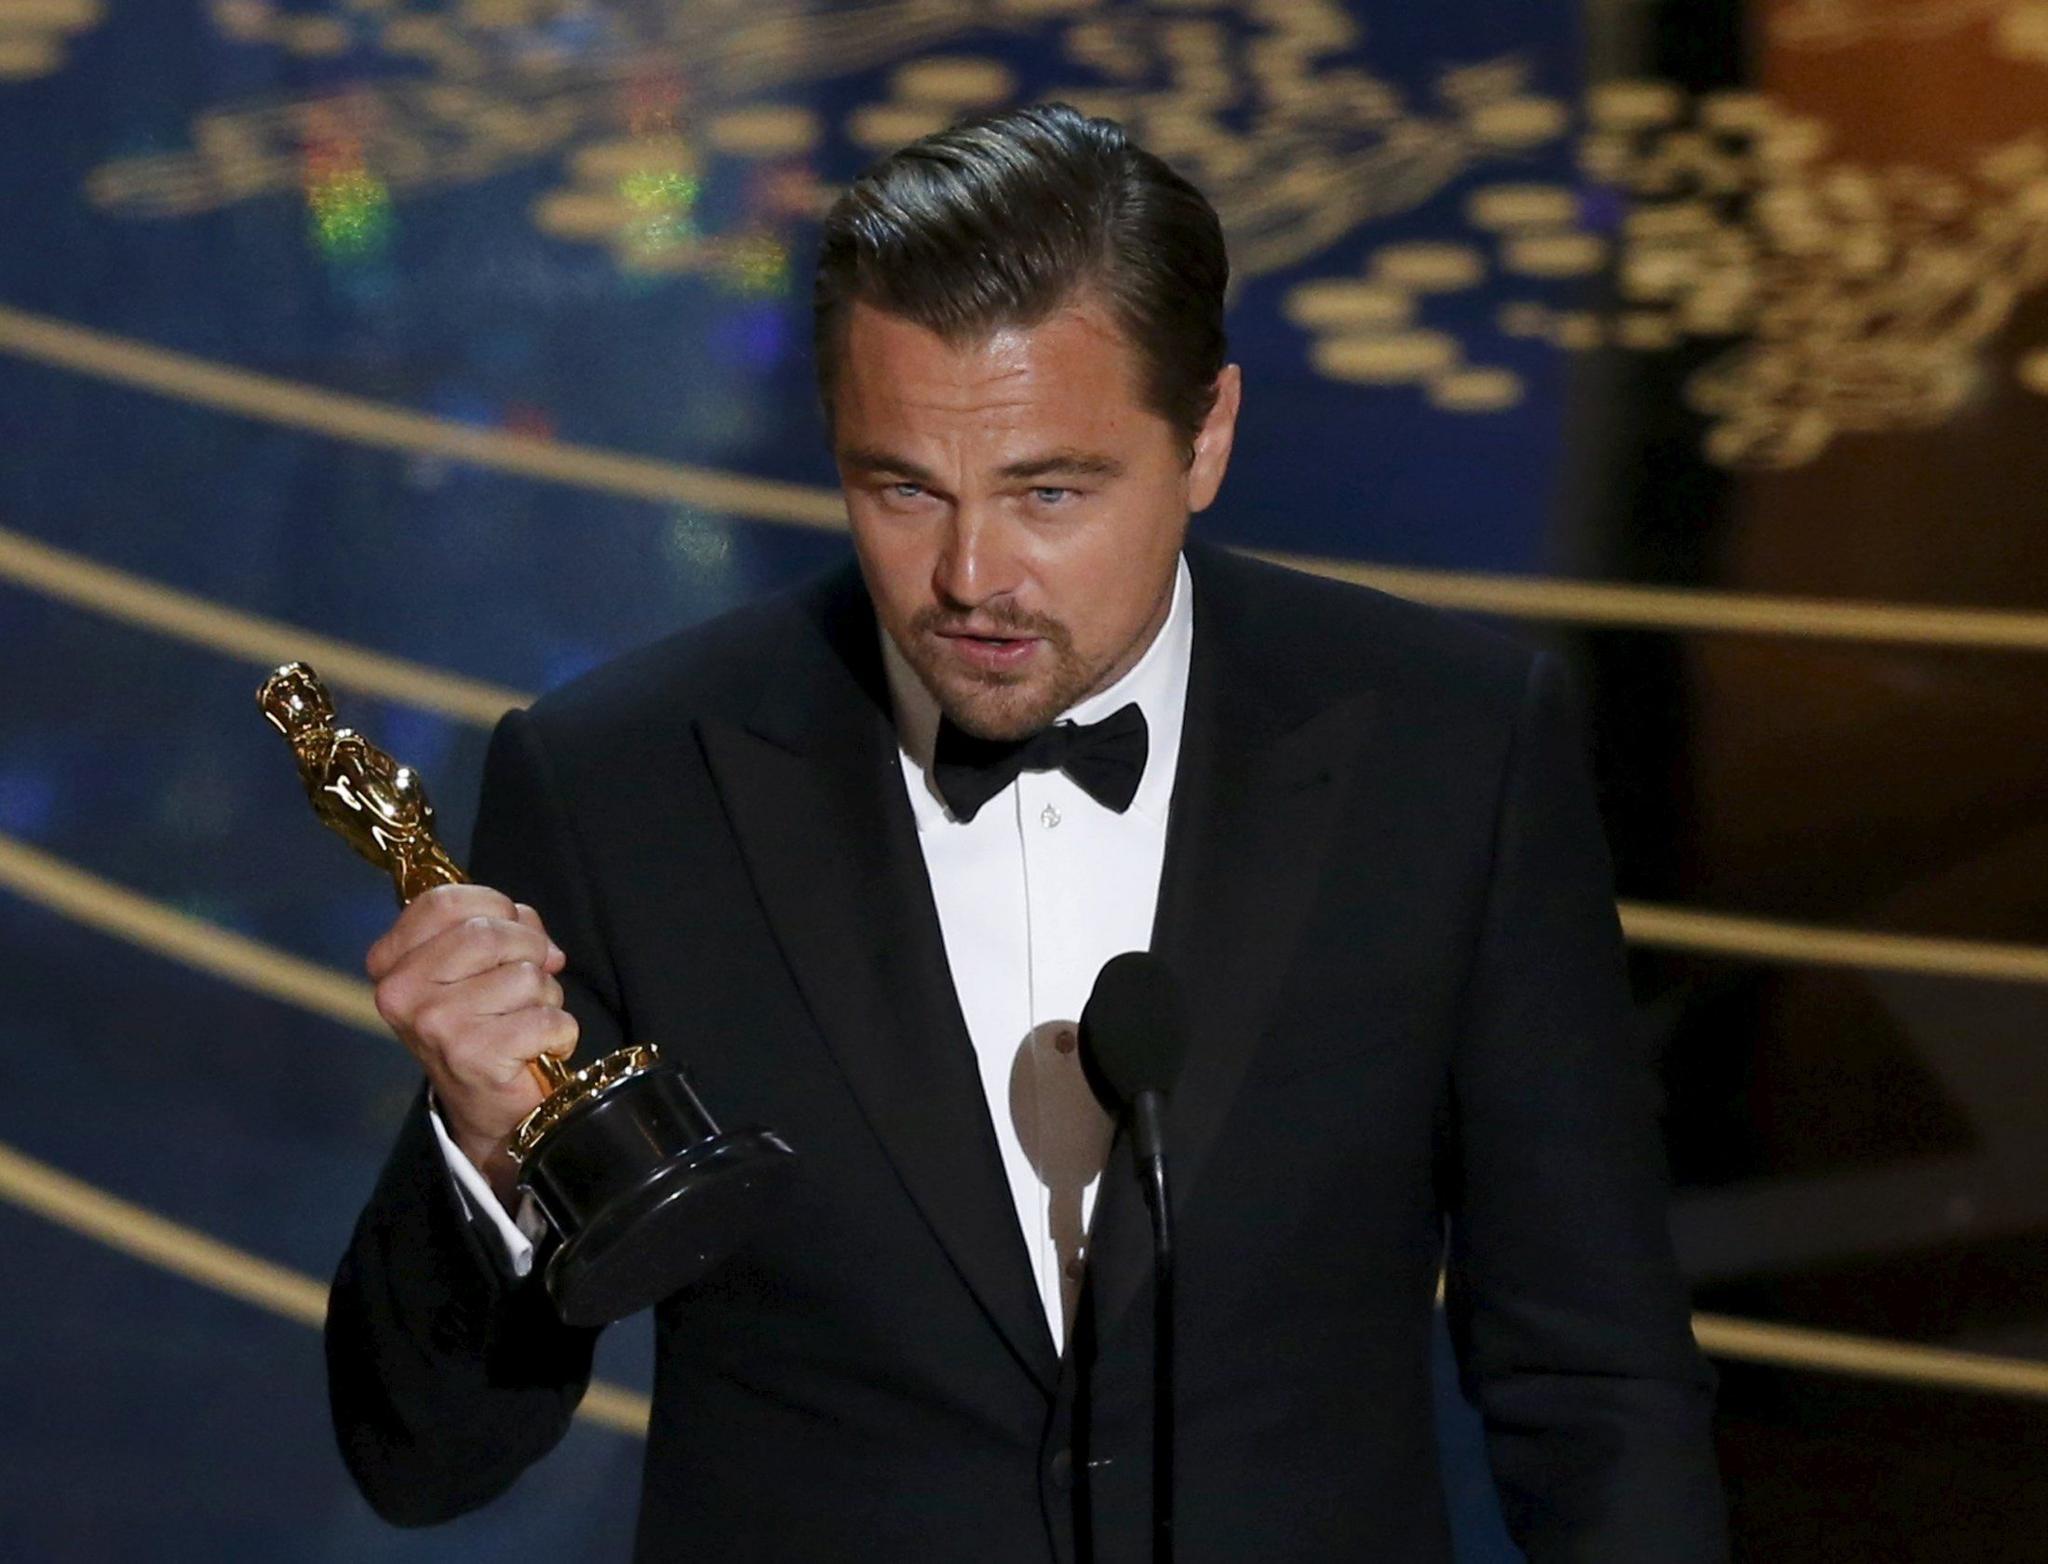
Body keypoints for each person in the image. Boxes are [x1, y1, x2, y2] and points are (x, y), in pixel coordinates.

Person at [326, 102, 1729, 1562]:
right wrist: (483, 1150)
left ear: (1207, 437)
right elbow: (427, 1460)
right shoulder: (624, 782)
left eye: (1049, 491)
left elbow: (1599, 1376)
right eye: (902, 488)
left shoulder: (1450, 746)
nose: (969, 575)